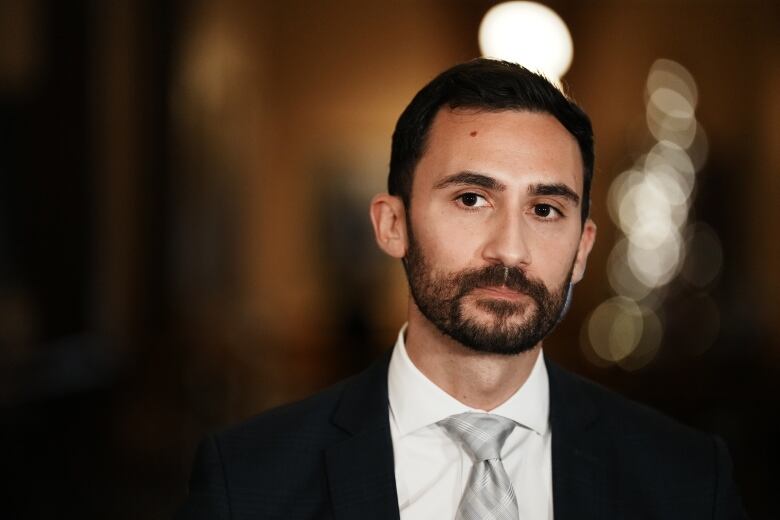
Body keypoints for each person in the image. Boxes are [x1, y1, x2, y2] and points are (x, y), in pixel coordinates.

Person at [176, 59, 747, 519]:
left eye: (546, 209)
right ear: (392, 225)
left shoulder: (690, 480)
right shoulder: (248, 480)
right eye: (472, 199)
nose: (510, 249)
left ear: (582, 249)